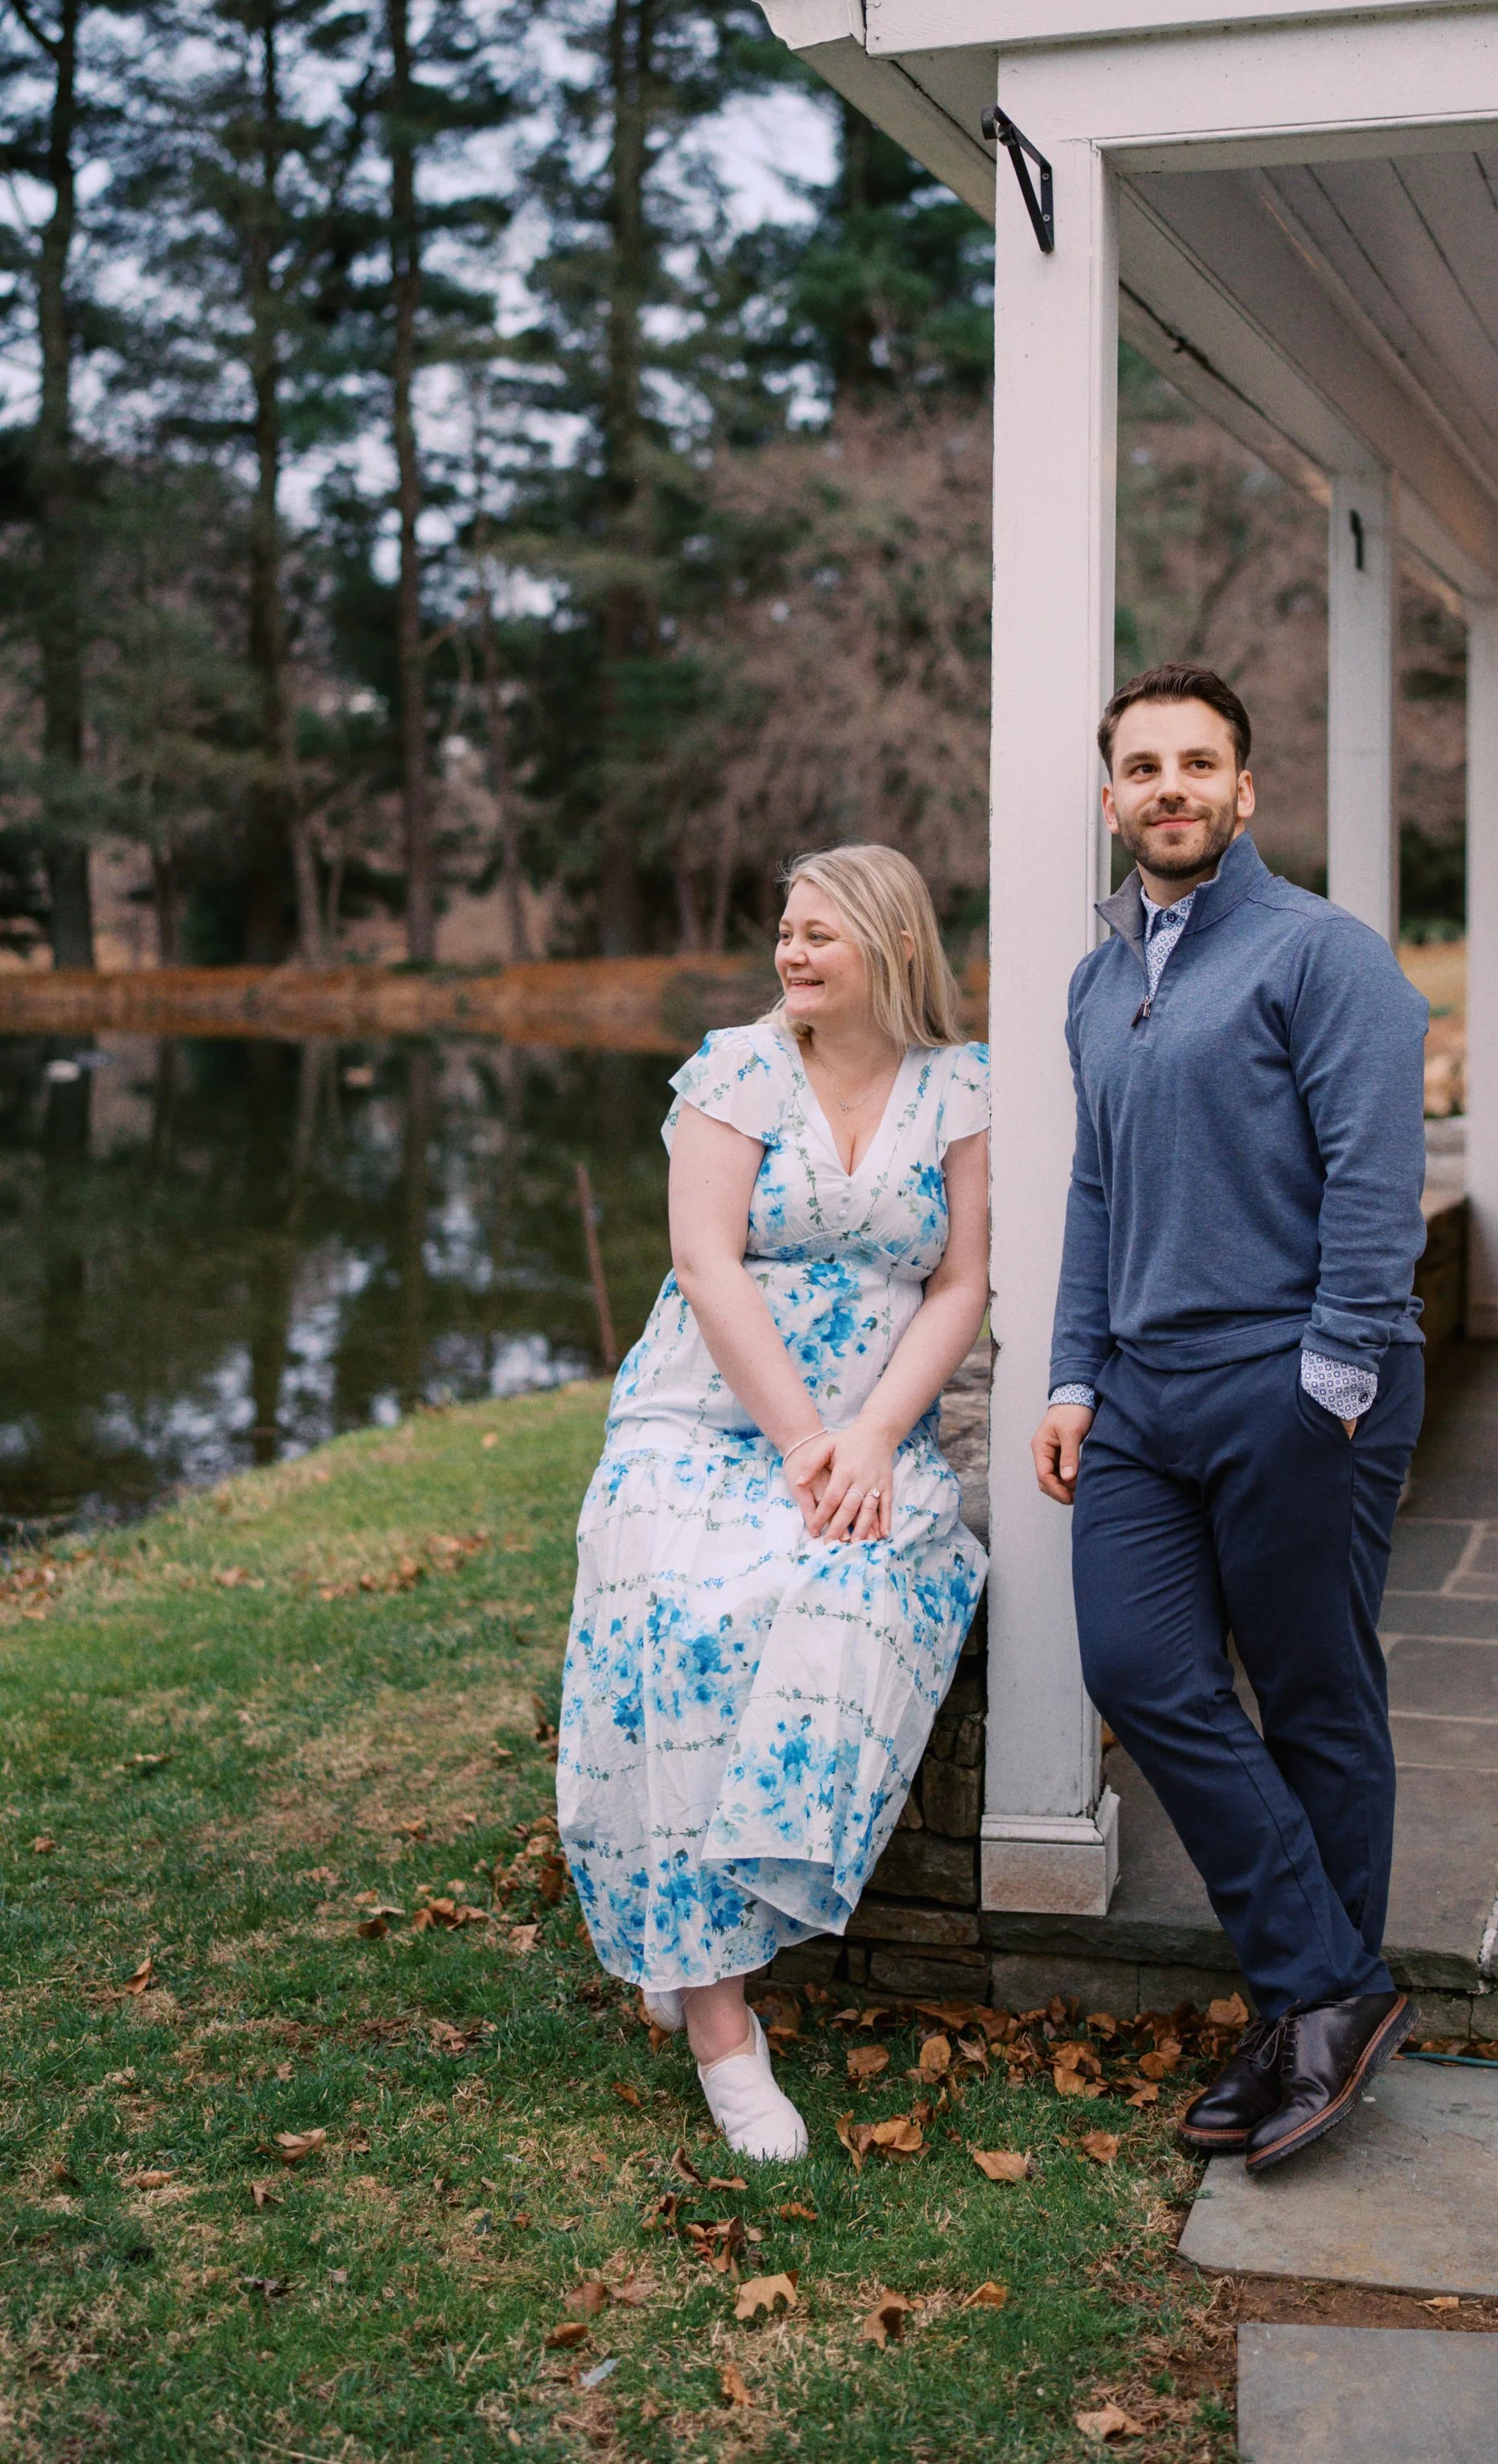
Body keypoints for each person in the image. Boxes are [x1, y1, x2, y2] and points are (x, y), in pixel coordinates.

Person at [1033, 663, 1429, 2175]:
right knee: (1140, 1667)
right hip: (1143, 1394)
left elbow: (1377, 1182)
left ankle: (1297, 2019)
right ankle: (1332, 1986)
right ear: (1116, 794)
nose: (1171, 786)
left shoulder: (1323, 952)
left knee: (1316, 1692)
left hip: (1297, 1383)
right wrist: (1074, 1377)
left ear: (1245, 790)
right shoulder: (1096, 979)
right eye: (1144, 766)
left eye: (1199, 763)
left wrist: (1327, 1382)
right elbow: (1094, 1193)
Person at [559, 845, 989, 2161]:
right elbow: (703, 1259)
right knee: (682, 1616)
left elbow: (961, 1284)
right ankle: (720, 2024)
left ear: (893, 947)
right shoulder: (737, 1070)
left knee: (850, 1591)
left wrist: (869, 1436)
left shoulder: (959, 1089)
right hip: (707, 1416)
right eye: (786, 934)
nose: (792, 955)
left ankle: (705, 1928)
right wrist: (805, 1436)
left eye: (820, 936)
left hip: (865, 1429)